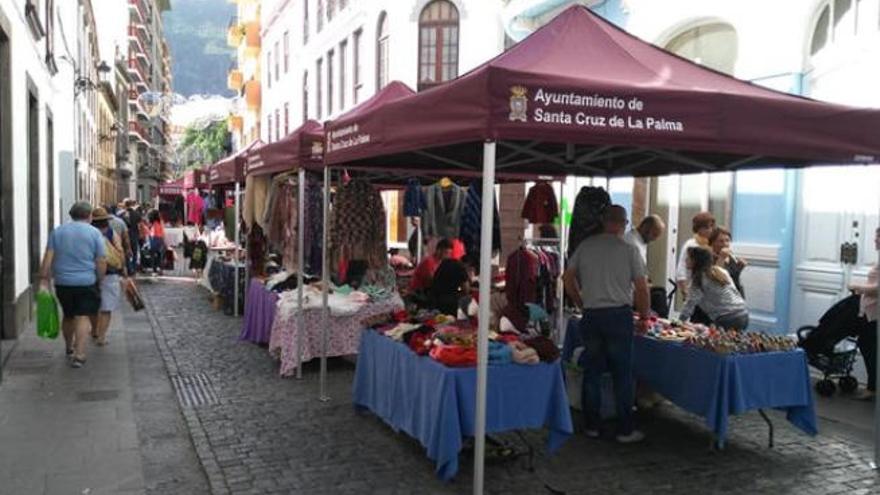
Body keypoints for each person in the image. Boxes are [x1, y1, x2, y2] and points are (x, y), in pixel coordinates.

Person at [563, 205, 650, 443]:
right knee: (622, 373)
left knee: (592, 370)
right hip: (618, 316)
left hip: (592, 315)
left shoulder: (586, 246)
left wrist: (580, 302)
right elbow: (642, 287)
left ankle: (592, 425)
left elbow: (566, 278)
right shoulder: (630, 250)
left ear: (603, 221)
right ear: (623, 223)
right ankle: (624, 429)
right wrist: (644, 316)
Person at [37, 201, 107, 368]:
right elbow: (101, 260)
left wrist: (43, 278)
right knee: (82, 316)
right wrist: (100, 278)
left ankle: (68, 347)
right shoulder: (95, 233)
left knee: (68, 315)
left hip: (63, 282)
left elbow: (48, 257)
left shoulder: (58, 232)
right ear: (89, 216)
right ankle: (80, 354)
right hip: (86, 281)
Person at [679, 246, 749, 330]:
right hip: (743, 314)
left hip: (726, 318)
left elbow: (690, 304)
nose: (686, 260)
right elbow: (734, 291)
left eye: (689, 258)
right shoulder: (720, 271)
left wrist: (679, 322)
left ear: (695, 261)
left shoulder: (699, 280)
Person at [90, 208, 128, 346]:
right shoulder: (112, 234)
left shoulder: (89, 234)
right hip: (110, 274)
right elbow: (120, 252)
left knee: (93, 306)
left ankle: (94, 330)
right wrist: (123, 268)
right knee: (106, 308)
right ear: (107, 221)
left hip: (90, 274)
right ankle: (101, 337)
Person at [851, 227, 880, 400]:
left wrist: (858, 287)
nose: (875, 241)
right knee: (868, 345)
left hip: (875, 312)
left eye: (878, 238)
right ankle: (872, 386)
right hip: (870, 310)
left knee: (869, 347)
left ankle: (872, 388)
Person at [675, 212, 716, 299]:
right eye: (706, 227)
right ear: (698, 229)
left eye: (712, 227)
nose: (710, 230)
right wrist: (684, 291)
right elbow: (681, 270)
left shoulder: (710, 244)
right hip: (694, 288)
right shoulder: (691, 244)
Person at [709, 226, 746, 297]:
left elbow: (734, 278)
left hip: (736, 298)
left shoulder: (731, 257)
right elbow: (715, 281)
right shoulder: (709, 259)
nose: (725, 244)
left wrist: (740, 267)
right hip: (721, 300)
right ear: (712, 243)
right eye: (721, 241)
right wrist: (721, 258)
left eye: (727, 240)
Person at [146, 209, 166, 276]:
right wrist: (164, 240)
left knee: (153, 255)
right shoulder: (160, 221)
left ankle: (154, 270)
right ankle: (160, 269)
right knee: (160, 255)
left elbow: (149, 230)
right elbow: (163, 231)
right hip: (160, 239)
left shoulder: (151, 222)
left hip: (153, 239)